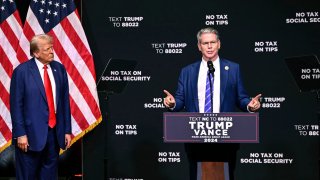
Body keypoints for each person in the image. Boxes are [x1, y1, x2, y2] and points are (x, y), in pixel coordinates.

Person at [163, 27, 261, 180]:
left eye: (212, 42)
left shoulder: (233, 69)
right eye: (205, 43)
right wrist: (172, 103)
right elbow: (180, 100)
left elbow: (241, 98)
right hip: (196, 134)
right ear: (199, 46)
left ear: (219, 44)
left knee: (226, 174)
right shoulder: (187, 71)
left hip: (225, 135)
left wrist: (250, 105)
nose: (209, 46)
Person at [10, 34, 72, 180]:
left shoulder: (59, 69)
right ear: (36, 53)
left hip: (54, 134)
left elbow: (64, 102)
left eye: (52, 48)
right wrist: (20, 134)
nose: (52, 51)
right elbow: (16, 105)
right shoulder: (22, 72)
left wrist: (66, 130)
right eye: (47, 49)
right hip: (29, 136)